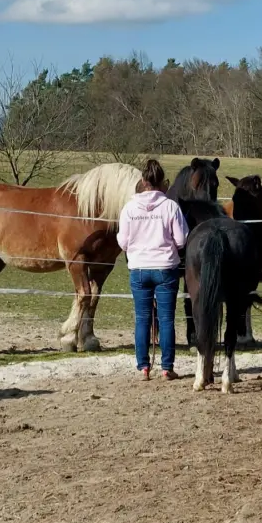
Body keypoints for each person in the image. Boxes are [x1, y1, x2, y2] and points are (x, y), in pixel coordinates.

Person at [117, 159, 189, 380]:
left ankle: (144, 367)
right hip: (165, 268)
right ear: (162, 182)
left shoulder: (129, 208)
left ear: (143, 181)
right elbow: (182, 240)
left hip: (139, 269)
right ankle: (167, 368)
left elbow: (123, 242)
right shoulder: (170, 207)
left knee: (142, 319)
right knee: (166, 320)